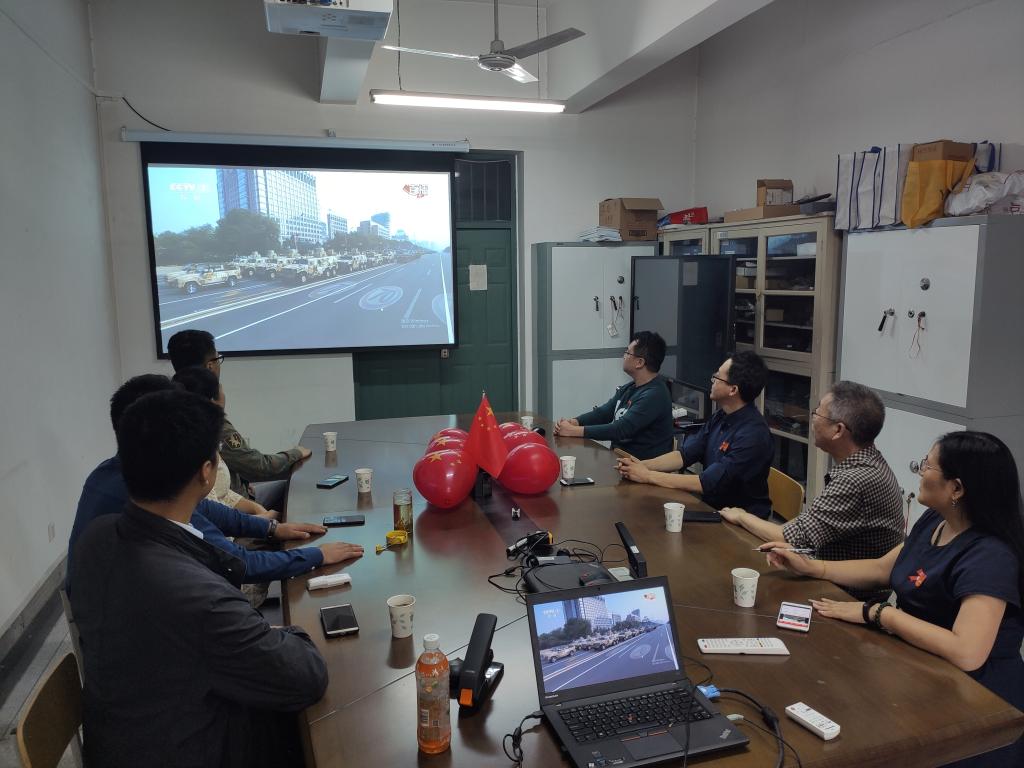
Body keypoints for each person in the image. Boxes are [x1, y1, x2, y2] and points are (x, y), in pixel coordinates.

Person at [71, 389, 329, 767]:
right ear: (206, 472)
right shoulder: (199, 600)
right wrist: (286, 632)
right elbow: (306, 677)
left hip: (125, 736)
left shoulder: (98, 537)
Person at [764, 431, 1023, 767]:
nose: (919, 471)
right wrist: (814, 567)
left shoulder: (989, 556)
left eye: (926, 465)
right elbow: (883, 569)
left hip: (975, 704)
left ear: (957, 488)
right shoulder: (937, 520)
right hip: (919, 669)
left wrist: (880, 614)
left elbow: (967, 652)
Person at [66, 375, 362, 596]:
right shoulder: (151, 493)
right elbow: (237, 563)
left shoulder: (116, 473)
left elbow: (204, 509)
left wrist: (271, 528)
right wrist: (317, 555)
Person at [719, 381, 904, 597]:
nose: (812, 417)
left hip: (846, 595)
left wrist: (741, 516)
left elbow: (791, 538)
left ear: (838, 430)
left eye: (817, 412)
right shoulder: (869, 461)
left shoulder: (855, 480)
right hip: (830, 573)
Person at [617, 351, 774, 517]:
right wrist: (641, 466)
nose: (712, 380)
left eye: (717, 377)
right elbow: (685, 455)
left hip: (740, 521)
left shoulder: (753, 435)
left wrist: (648, 476)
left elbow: (706, 483)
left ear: (733, 390)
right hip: (711, 508)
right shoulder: (721, 416)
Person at [167, 329, 311, 507]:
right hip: (236, 508)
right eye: (218, 358)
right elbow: (258, 467)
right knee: (300, 491)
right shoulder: (206, 418)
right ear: (210, 366)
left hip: (235, 497)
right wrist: (296, 453)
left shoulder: (173, 408)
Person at [172, 366, 276, 519]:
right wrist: (267, 522)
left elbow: (224, 494)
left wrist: (259, 511)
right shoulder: (198, 443)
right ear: (213, 401)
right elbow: (259, 466)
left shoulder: (203, 433)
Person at [553, 331, 673, 460]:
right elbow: (604, 413)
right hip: (620, 460)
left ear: (639, 362)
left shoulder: (655, 395)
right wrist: (575, 422)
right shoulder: (630, 387)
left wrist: (573, 431)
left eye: (627, 353)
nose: (624, 356)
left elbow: (620, 429)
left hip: (642, 467)